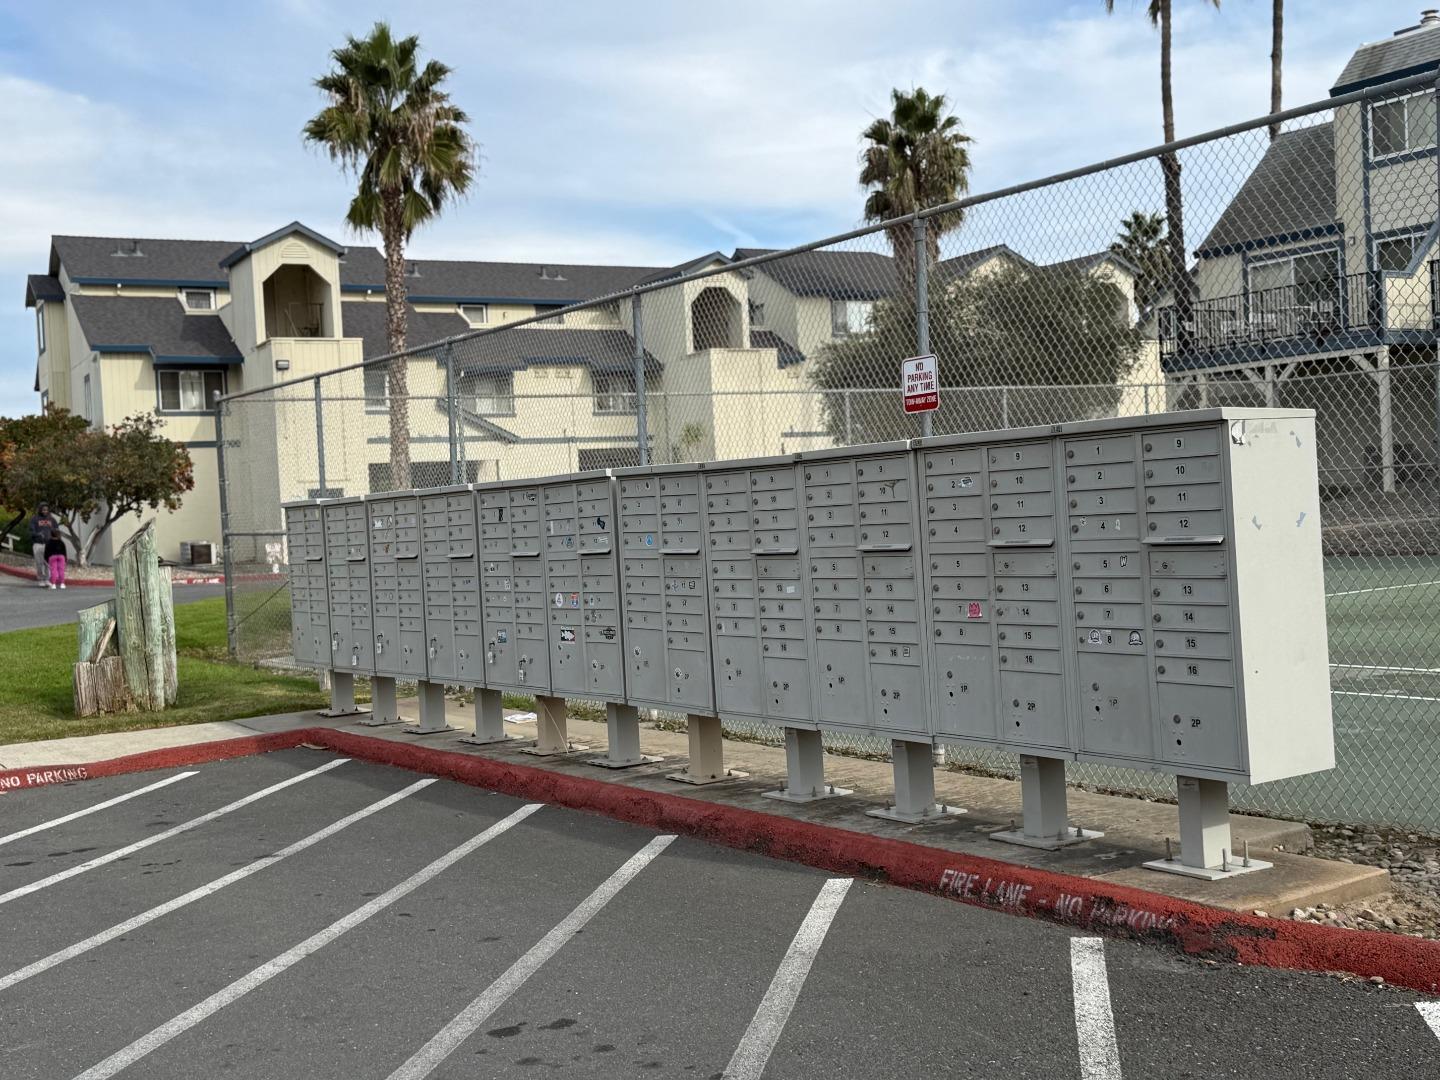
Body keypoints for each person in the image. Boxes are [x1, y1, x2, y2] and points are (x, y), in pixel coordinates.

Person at [29, 503, 57, 588]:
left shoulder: (52, 519)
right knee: (39, 563)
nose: (45, 511)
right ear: (40, 510)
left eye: (47, 510)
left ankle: (47, 580)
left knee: (48, 564)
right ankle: (40, 579)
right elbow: (31, 531)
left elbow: (56, 530)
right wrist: (37, 534)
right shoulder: (34, 519)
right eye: (43, 509)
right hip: (38, 544)